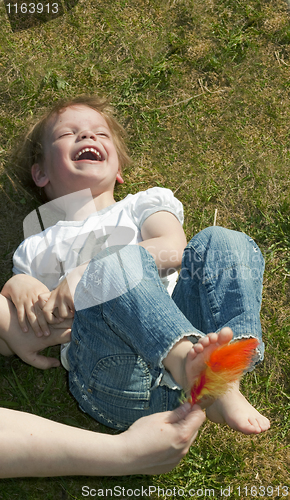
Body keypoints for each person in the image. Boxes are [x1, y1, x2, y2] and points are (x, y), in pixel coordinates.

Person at [1, 95, 270, 437]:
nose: (88, 137)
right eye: (69, 133)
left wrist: (86, 273)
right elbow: (19, 333)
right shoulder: (37, 248)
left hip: (194, 327)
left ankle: (223, 365)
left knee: (223, 241)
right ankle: (205, 376)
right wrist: (16, 285)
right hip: (121, 376)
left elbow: (173, 247)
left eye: (100, 133)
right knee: (112, 262)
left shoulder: (142, 205)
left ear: (119, 171)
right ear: (40, 173)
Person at [0, 295, 205, 477]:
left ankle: (211, 378)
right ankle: (194, 368)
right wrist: (125, 453)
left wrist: (6, 312)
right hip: (126, 385)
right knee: (112, 266)